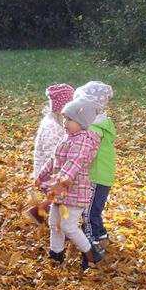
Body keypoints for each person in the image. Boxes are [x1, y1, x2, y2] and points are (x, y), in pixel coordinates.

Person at [35, 98, 100, 271]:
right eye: (64, 118)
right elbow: (54, 159)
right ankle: (56, 253)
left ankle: (90, 252)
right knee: (54, 222)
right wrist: (42, 175)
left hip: (75, 191)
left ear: (82, 122)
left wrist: (60, 180)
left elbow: (74, 163)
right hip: (61, 191)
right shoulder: (68, 138)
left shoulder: (83, 141)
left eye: (69, 119)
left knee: (68, 226)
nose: (65, 122)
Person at [74, 82, 116, 256]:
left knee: (89, 211)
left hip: (96, 176)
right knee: (94, 210)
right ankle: (102, 236)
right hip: (102, 175)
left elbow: (86, 154)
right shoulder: (102, 124)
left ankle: (92, 243)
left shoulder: (92, 130)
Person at [28, 83, 75, 224]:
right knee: (57, 196)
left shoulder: (56, 123)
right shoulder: (52, 128)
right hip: (48, 171)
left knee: (56, 197)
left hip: (51, 170)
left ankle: (46, 217)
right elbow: (52, 156)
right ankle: (40, 215)